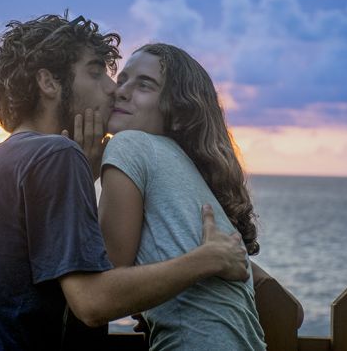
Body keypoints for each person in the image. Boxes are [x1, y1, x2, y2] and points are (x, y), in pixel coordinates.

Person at [0, 14, 250, 351]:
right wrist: (205, 260)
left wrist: (83, 177)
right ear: (48, 83)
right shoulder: (59, 155)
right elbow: (92, 304)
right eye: (96, 73)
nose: (112, 89)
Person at [99, 43, 267, 350]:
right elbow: (293, 311)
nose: (121, 92)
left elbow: (104, 285)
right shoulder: (187, 174)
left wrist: (82, 169)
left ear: (178, 114)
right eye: (122, 80)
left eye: (144, 85)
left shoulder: (129, 145)